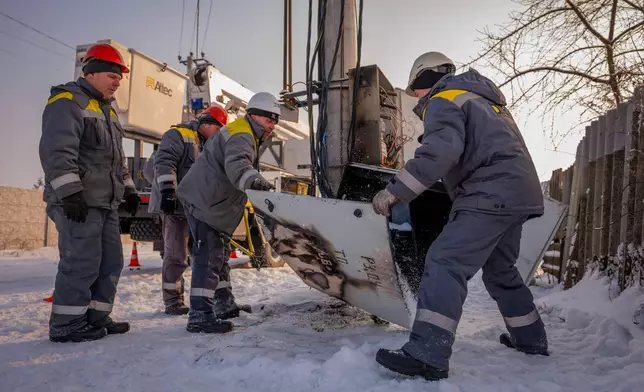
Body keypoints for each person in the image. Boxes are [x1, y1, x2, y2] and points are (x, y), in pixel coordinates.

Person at [371, 52, 549, 380]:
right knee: (501, 271)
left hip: (488, 193)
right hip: (518, 193)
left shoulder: (444, 99)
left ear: (424, 80)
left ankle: (428, 352)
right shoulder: (486, 102)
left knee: (445, 262)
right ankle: (531, 339)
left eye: (415, 90)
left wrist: (395, 191)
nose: (417, 98)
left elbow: (440, 152)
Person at [39, 43, 141, 343]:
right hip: (79, 202)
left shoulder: (106, 111)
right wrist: (70, 193)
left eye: (120, 77)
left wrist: (130, 190)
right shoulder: (68, 102)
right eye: (112, 75)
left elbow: (116, 160)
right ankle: (67, 324)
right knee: (81, 261)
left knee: (111, 262)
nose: (117, 81)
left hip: (105, 203)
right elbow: (57, 151)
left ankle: (96, 316)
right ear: (92, 73)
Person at [177, 92, 278, 334]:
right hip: (206, 203)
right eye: (269, 120)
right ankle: (200, 315)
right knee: (209, 256)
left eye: (275, 121)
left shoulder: (245, 131)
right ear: (255, 116)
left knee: (218, 255)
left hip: (211, 203)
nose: (272, 126)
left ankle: (223, 304)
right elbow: (238, 165)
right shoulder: (242, 134)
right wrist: (254, 181)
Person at [149, 106, 228, 315]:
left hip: (197, 209)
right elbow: (164, 161)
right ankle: (173, 301)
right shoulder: (179, 135)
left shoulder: (208, 144)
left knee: (204, 255)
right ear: (209, 124)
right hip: (176, 207)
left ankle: (208, 299)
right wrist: (168, 191)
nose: (219, 135)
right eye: (219, 129)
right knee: (176, 255)